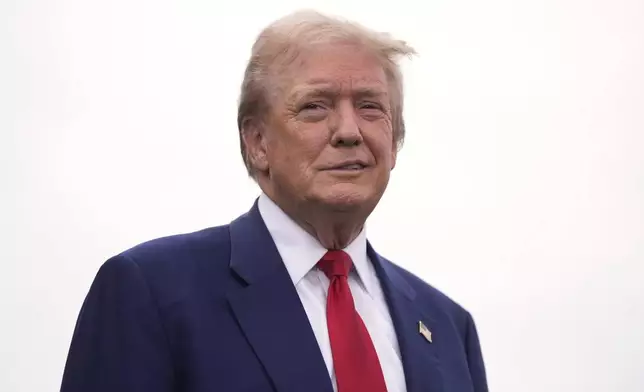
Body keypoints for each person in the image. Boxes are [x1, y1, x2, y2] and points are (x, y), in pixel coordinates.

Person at [60, 10, 488, 392]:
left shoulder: (449, 328)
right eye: (315, 107)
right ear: (257, 142)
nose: (348, 131)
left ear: (394, 143)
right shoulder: (151, 292)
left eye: (370, 107)